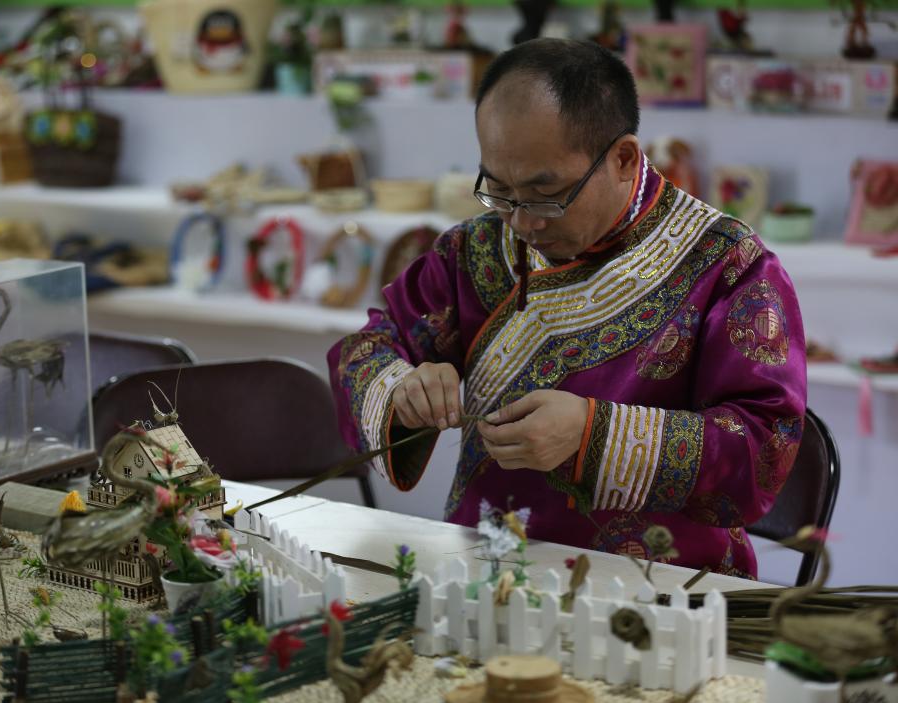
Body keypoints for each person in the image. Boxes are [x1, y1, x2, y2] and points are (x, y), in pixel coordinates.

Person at [327, 38, 806, 579]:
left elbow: (763, 447)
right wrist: (404, 388)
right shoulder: (473, 250)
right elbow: (367, 348)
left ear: (623, 159)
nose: (523, 222)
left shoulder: (727, 265)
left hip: (663, 588)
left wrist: (591, 434)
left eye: (545, 192)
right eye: (499, 190)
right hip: (487, 565)